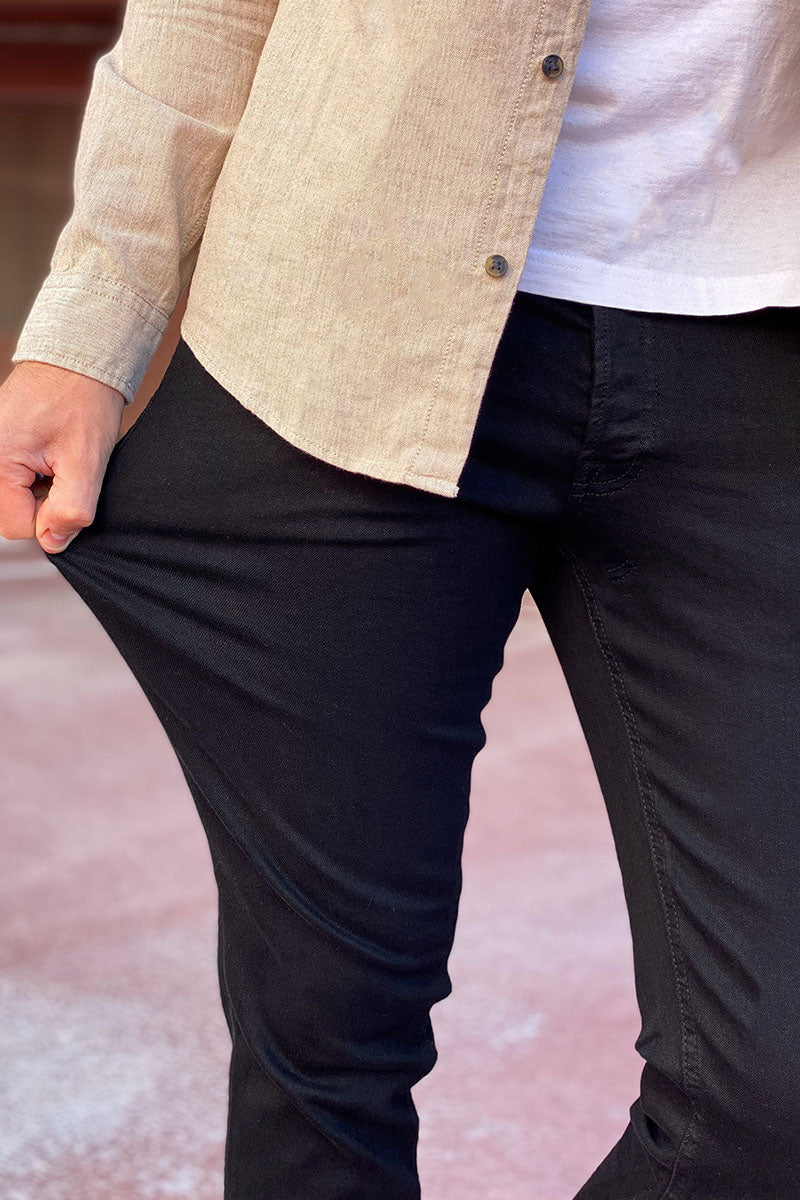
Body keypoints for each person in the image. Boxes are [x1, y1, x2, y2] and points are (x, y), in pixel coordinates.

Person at [1, 0, 799, 1196]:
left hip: (750, 329)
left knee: (775, 1084)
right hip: (350, 316)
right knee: (326, 1034)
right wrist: (87, 327)